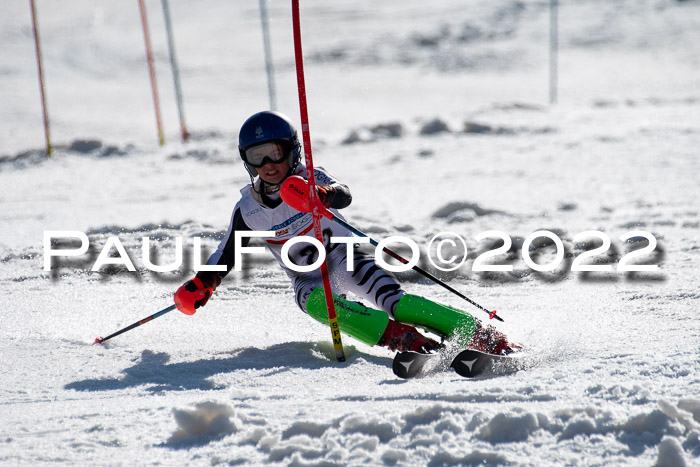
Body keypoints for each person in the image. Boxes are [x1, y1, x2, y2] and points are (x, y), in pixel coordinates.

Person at [174, 111, 516, 355]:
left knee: (398, 302)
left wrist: (320, 196)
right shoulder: (248, 209)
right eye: (257, 156)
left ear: (292, 149)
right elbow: (226, 254)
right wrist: (203, 283)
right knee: (318, 305)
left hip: (343, 258)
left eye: (275, 151)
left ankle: (478, 334)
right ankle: (400, 339)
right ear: (246, 161)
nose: (268, 164)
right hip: (307, 279)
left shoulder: (310, 178)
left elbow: (344, 193)